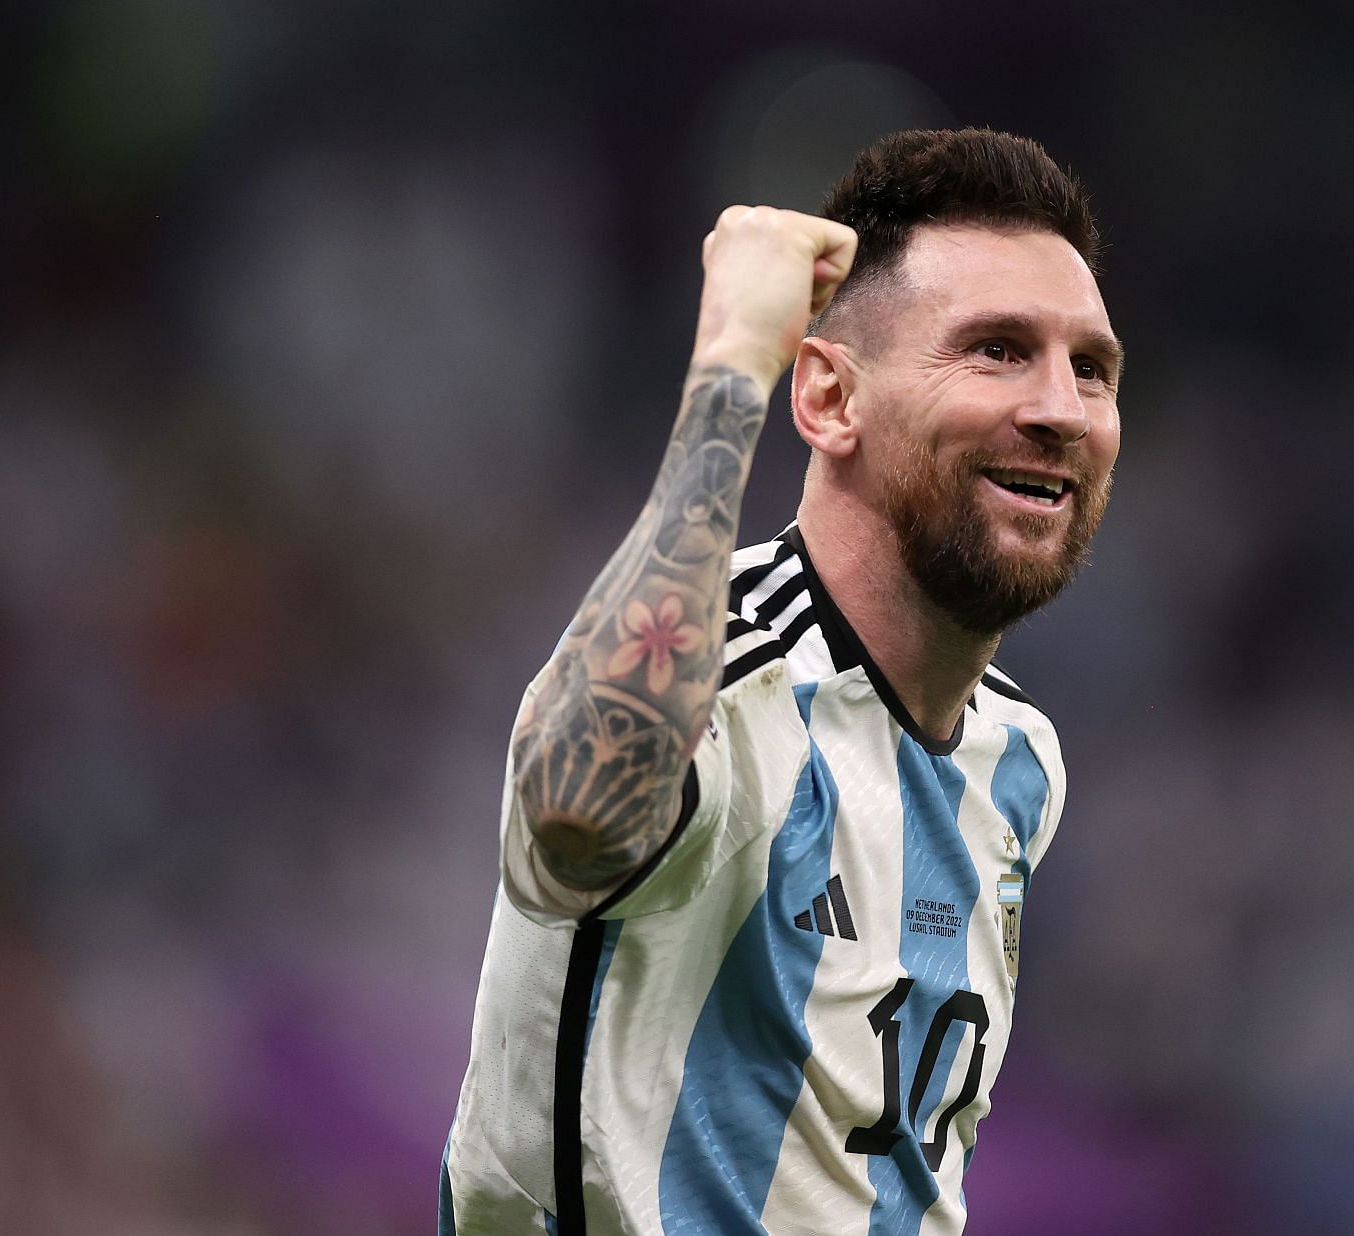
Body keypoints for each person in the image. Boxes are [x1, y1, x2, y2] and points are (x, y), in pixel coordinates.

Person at [441, 127, 1123, 1236]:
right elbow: (571, 813)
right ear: (828, 399)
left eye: (1089, 367)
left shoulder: (1018, 764)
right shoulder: (715, 692)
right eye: (996, 350)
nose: (1060, 408)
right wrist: (729, 375)